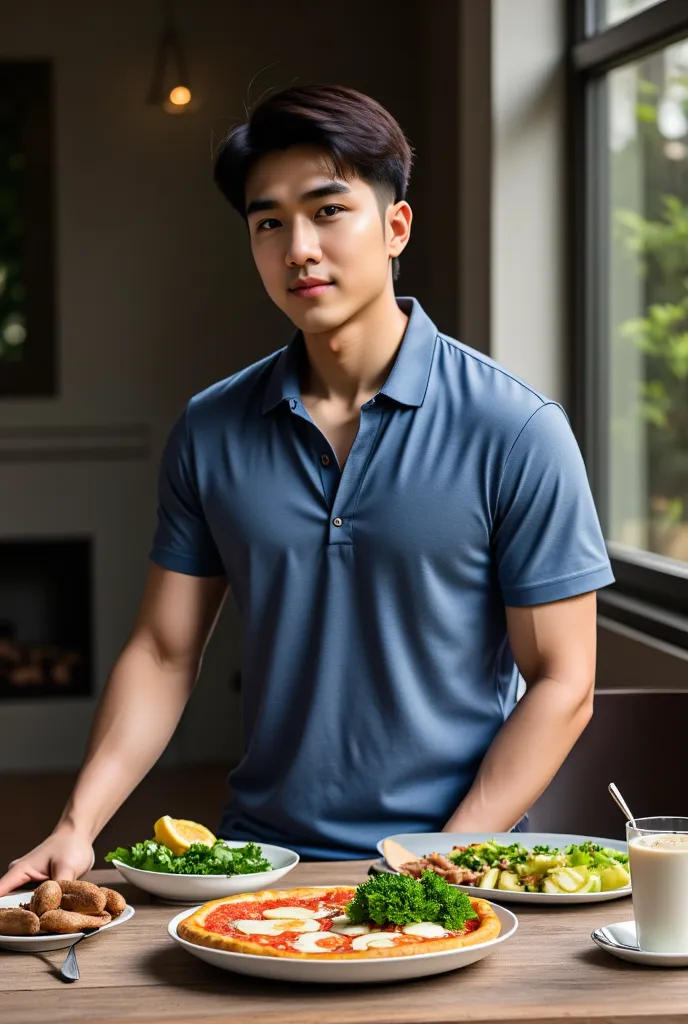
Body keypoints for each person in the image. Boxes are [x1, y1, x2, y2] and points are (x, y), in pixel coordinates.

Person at [0, 84, 614, 892]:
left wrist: (442, 856)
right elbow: (162, 650)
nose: (297, 247)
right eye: (268, 222)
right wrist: (76, 828)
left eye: (328, 211)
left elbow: (564, 682)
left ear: (395, 227)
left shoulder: (517, 429)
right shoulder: (211, 428)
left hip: (458, 861)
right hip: (261, 862)